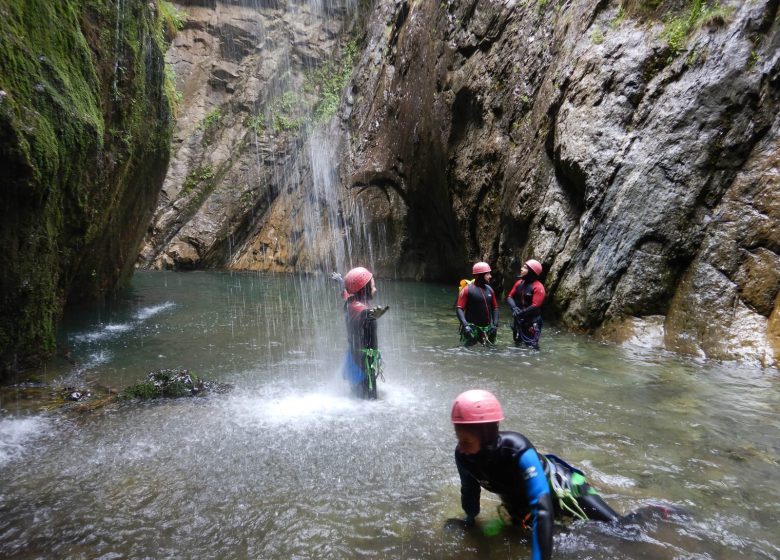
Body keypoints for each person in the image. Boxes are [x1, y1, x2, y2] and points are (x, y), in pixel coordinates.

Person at [451, 389, 622, 560]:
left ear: (487, 436)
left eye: (467, 441)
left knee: (621, 528)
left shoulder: (516, 449)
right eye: (459, 440)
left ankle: (648, 511)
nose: (462, 447)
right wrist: (470, 520)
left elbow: (542, 509)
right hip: (520, 507)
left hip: (566, 491)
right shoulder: (463, 457)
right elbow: (469, 491)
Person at [331, 267, 388, 399]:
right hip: (364, 365)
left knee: (357, 396)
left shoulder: (351, 301)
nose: (375, 289)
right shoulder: (361, 310)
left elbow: (346, 292)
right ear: (364, 290)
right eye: (373, 286)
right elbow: (363, 315)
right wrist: (372, 315)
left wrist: (341, 281)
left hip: (354, 358)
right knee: (370, 401)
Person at [456, 262, 499, 346]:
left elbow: (495, 308)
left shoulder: (490, 289)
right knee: (468, 350)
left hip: (488, 328)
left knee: (490, 351)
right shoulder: (467, 290)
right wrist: (465, 326)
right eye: (487, 274)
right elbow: (459, 308)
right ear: (479, 275)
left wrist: (495, 324)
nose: (490, 276)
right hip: (471, 328)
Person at [507, 259, 545, 349]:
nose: (521, 269)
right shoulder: (519, 283)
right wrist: (514, 308)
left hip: (532, 322)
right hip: (518, 321)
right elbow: (509, 296)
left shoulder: (538, 287)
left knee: (532, 347)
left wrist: (521, 312)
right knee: (517, 344)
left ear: (531, 272)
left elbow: (536, 305)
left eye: (524, 268)